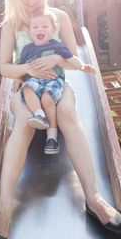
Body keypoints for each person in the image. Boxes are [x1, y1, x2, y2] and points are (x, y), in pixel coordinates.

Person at [0, 0, 121, 239]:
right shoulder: (12, 24)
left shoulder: (59, 18)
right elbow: (4, 68)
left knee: (67, 113)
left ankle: (94, 196)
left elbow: (72, 57)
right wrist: (28, 68)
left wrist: (53, 62)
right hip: (25, 87)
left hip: (59, 86)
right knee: (24, 122)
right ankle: (3, 208)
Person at [19, 9, 96, 155]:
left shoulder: (56, 45)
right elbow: (23, 68)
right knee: (27, 89)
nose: (39, 29)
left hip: (53, 79)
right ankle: (39, 114)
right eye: (35, 27)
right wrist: (18, 81)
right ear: (29, 31)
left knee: (47, 98)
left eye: (45, 26)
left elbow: (70, 58)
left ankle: (52, 137)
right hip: (34, 80)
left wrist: (82, 66)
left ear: (52, 30)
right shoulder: (27, 50)